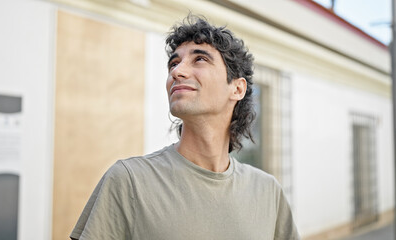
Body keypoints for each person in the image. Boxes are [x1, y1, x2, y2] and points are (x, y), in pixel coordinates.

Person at [70, 15, 300, 240]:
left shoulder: (268, 191)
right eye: (174, 63)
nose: (176, 72)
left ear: (237, 89)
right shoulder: (129, 182)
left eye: (199, 59)